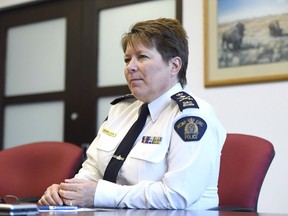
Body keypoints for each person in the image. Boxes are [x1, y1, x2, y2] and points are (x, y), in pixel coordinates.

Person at [38, 18, 226, 210]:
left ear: (174, 66)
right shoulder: (120, 110)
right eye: (127, 59)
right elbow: (92, 170)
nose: (130, 67)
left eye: (142, 57)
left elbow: (177, 195)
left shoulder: (191, 117)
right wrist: (66, 193)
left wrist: (99, 194)